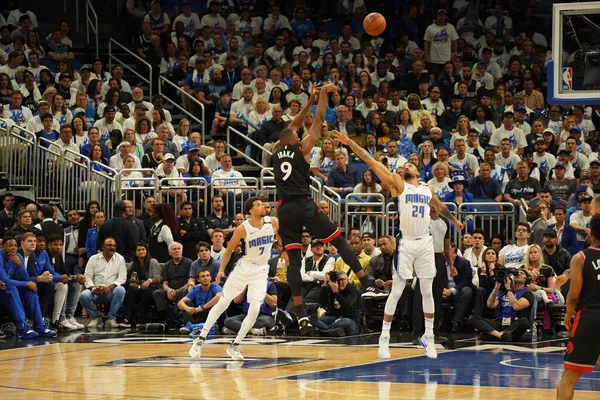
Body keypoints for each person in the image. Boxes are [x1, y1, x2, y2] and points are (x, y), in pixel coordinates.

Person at [335, 130, 464, 360]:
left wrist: (454, 221)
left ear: (418, 170)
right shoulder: (398, 184)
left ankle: (429, 338)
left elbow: (441, 206)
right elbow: (371, 160)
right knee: (396, 290)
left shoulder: (426, 189)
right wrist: (350, 143)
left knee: (426, 290)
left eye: (409, 166)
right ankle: (383, 339)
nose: (406, 167)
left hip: (425, 242)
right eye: (403, 166)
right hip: (406, 242)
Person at [273, 83, 372, 335]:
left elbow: (292, 125)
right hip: (303, 203)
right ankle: (366, 279)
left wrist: (309, 99)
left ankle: (300, 313)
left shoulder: (275, 149)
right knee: (338, 240)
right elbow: (318, 120)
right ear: (295, 140)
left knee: (294, 261)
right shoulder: (302, 148)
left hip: (284, 209)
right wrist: (323, 97)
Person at [189, 197, 279, 360]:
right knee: (223, 302)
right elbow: (229, 250)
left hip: (261, 270)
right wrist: (221, 270)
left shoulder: (273, 222)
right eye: (259, 205)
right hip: (244, 268)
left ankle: (235, 345)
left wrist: (285, 250)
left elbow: (280, 237)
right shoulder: (243, 228)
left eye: (264, 205)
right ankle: (200, 340)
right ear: (251, 211)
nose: (263, 207)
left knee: (254, 310)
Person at [557, 214, 600, 399]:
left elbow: (574, 294)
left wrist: (568, 312)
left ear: (590, 233)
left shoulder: (580, 257)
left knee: (569, 376)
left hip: (590, 316)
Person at [0, 237, 56, 339]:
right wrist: (27, 284)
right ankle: (23, 328)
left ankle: (40, 326)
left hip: (9, 291)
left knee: (30, 292)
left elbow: (26, 278)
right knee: (12, 289)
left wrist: (20, 265)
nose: (13, 248)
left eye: (15, 246)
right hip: (3, 291)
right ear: (2, 247)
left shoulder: (18, 257)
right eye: (10, 246)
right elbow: (5, 281)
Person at [468, 268, 534, 342]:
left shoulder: (527, 294)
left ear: (527, 279)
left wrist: (509, 289)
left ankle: (494, 335)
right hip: (499, 322)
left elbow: (516, 307)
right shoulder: (502, 292)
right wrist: (497, 287)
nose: (518, 274)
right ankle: (501, 336)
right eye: (517, 273)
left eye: (522, 273)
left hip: (514, 323)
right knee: (473, 318)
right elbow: (490, 305)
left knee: (524, 321)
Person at [79, 237, 127, 329]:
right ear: (102, 247)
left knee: (121, 290)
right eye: (109, 245)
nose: (112, 247)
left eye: (114, 246)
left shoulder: (120, 259)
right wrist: (93, 288)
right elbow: (87, 277)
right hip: (95, 291)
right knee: (83, 295)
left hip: (111, 291)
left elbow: (122, 277)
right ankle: (96, 317)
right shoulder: (93, 258)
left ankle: (111, 318)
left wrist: (110, 287)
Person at [317, 270, 359, 336]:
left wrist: (336, 292)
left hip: (348, 318)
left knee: (347, 323)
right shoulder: (330, 288)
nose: (340, 282)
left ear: (347, 280)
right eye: (338, 280)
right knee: (314, 321)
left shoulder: (352, 289)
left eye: (342, 280)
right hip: (332, 317)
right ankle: (332, 331)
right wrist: (324, 285)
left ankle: (325, 330)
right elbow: (321, 304)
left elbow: (347, 306)